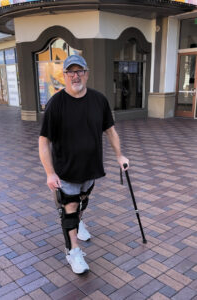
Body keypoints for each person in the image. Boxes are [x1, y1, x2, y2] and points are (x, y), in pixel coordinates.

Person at [39, 55, 129, 274]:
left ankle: (79, 223)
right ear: (65, 75)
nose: (75, 75)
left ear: (87, 74)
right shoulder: (55, 104)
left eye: (80, 71)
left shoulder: (99, 100)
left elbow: (110, 130)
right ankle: (73, 251)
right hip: (66, 170)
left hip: (90, 168)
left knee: (82, 202)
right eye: (71, 71)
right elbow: (44, 141)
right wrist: (50, 173)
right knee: (69, 211)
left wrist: (120, 156)